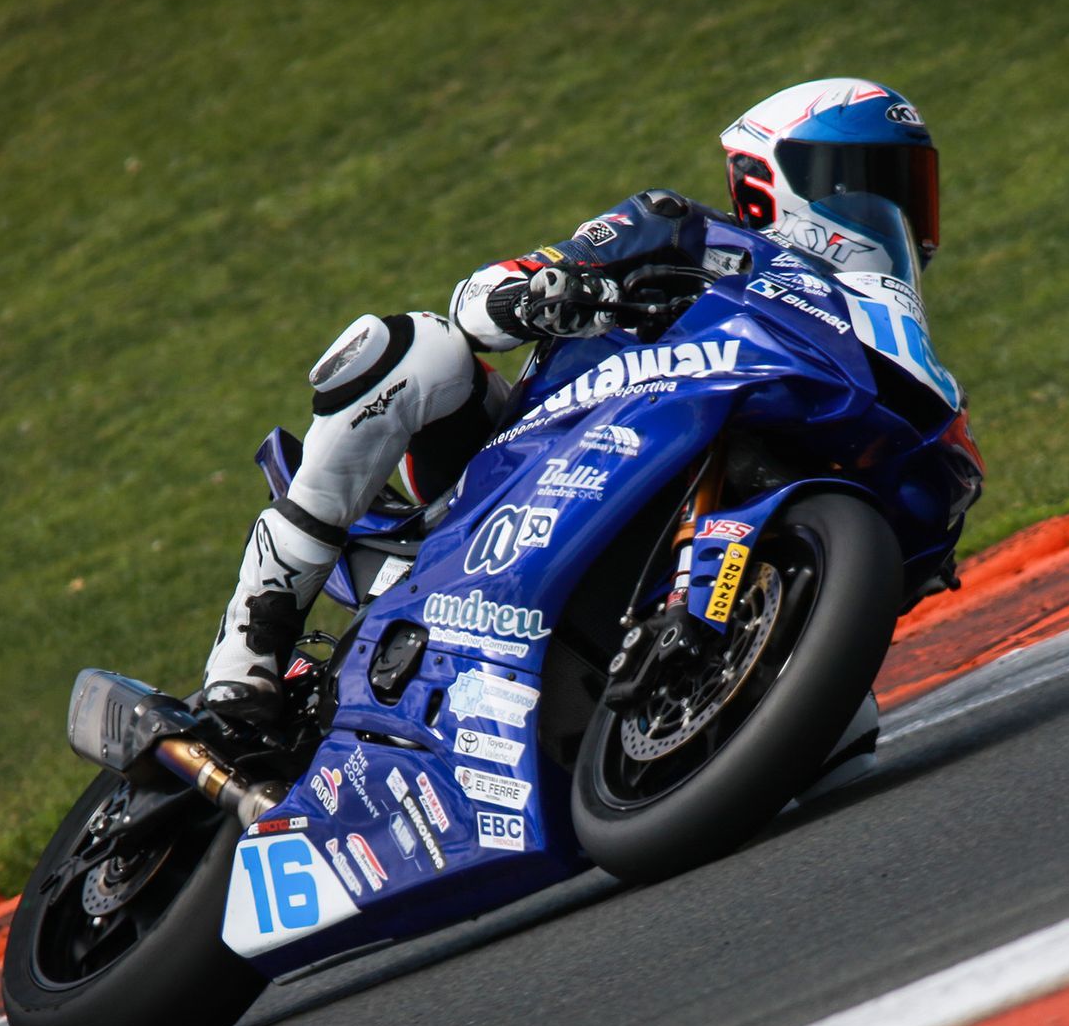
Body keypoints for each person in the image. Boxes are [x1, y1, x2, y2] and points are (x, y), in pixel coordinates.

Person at [202, 77, 943, 721]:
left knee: (849, 732)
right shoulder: (681, 228)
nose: (886, 205)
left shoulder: (866, 330)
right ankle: (250, 644)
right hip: (514, 465)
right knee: (415, 347)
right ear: (768, 177)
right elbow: (478, 299)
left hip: (671, 499)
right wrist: (541, 291)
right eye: (855, 179)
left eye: (902, 186)